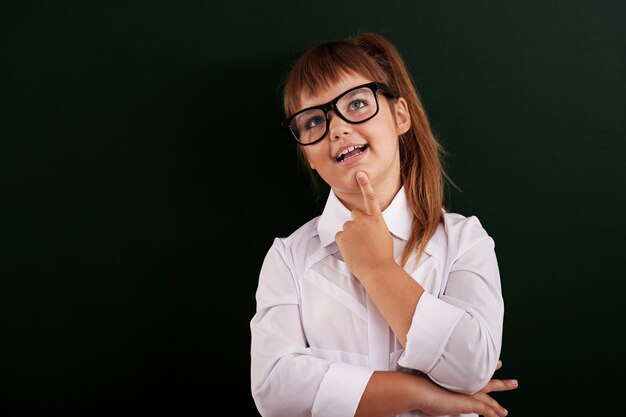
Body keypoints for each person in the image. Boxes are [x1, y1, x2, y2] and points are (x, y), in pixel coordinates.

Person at [250, 32, 518, 417]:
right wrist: (422, 393)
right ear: (307, 155)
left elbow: (471, 366)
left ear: (400, 116)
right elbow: (275, 390)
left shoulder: (464, 240)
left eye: (356, 103)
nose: (338, 129)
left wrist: (377, 268)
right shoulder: (289, 258)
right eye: (313, 121)